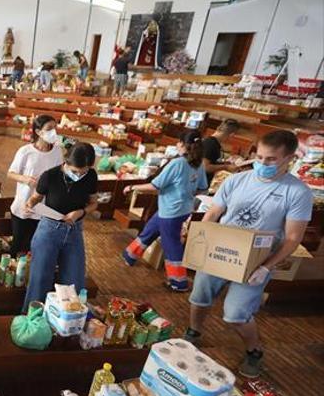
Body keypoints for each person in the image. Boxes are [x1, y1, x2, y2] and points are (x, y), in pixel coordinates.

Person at [184, 130, 312, 378]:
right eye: (260, 157)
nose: (262, 164)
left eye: (271, 159)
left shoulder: (297, 192)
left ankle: (254, 350)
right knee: (199, 296)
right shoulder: (236, 181)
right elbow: (213, 213)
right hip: (221, 251)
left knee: (236, 314)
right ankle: (193, 331)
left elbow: (293, 237)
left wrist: (266, 267)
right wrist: (201, 241)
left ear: (289, 158)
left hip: (256, 261)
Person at [122, 131, 209, 292]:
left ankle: (178, 282)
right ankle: (130, 255)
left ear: (183, 145)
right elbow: (203, 189)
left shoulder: (177, 163)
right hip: (182, 209)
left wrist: (132, 187)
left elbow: (155, 186)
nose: (176, 145)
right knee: (151, 229)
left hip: (170, 210)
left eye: (178, 142)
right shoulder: (199, 164)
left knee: (171, 245)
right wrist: (185, 193)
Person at [22, 143, 98, 310]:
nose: (79, 175)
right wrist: (29, 204)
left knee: (74, 281)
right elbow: (35, 198)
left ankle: (66, 322)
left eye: (83, 171)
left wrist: (80, 212)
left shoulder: (91, 176)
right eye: (75, 171)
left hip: (74, 231)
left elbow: (93, 204)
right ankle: (32, 318)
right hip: (49, 230)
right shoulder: (50, 176)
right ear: (66, 162)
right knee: (40, 279)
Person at [7, 114, 64, 256]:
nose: (54, 132)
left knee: (36, 245)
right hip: (23, 204)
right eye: (49, 129)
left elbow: (60, 174)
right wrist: (26, 179)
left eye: (55, 128)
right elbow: (11, 173)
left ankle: (30, 274)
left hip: (44, 207)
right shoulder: (26, 151)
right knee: (18, 244)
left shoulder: (57, 151)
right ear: (38, 132)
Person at [201, 119, 241, 185]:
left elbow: (211, 161)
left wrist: (225, 163)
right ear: (232, 135)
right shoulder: (211, 144)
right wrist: (226, 167)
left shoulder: (213, 142)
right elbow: (205, 167)